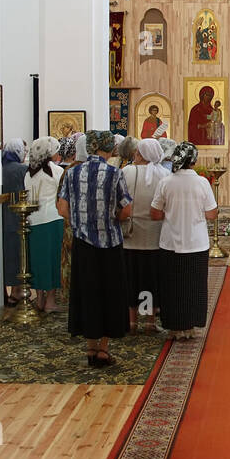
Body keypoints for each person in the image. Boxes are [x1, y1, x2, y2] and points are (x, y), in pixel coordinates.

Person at [57, 130, 133, 366]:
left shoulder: (72, 173)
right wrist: (112, 218)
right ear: (109, 149)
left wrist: (80, 223)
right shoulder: (114, 173)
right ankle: (103, 350)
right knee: (110, 294)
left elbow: (62, 208)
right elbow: (126, 209)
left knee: (87, 293)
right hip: (110, 243)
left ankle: (90, 348)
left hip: (83, 244)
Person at [150, 142, 219, 339]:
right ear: (194, 160)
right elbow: (212, 214)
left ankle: (173, 328)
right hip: (196, 243)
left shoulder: (166, 182)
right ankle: (190, 327)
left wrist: (173, 215)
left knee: (171, 285)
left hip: (170, 242)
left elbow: (155, 213)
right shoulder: (202, 183)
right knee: (194, 285)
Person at [122, 138, 169, 333]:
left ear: (140, 154)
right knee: (151, 279)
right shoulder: (164, 174)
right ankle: (150, 321)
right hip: (155, 234)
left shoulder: (127, 172)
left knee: (132, 278)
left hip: (130, 234)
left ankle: (132, 322)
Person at [24, 137, 64, 312]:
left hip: (33, 219)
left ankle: (39, 298)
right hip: (52, 219)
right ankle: (50, 301)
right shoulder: (56, 171)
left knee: (38, 259)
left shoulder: (28, 173)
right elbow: (62, 195)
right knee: (53, 259)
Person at [57, 133, 86, 306]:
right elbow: (61, 204)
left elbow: (59, 204)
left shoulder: (69, 171)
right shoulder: (74, 171)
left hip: (72, 225)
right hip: (78, 226)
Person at [1, 138, 28, 307]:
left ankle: (8, 292)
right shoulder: (22, 170)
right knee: (19, 254)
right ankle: (17, 291)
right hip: (19, 216)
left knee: (5, 254)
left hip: (1, 215)